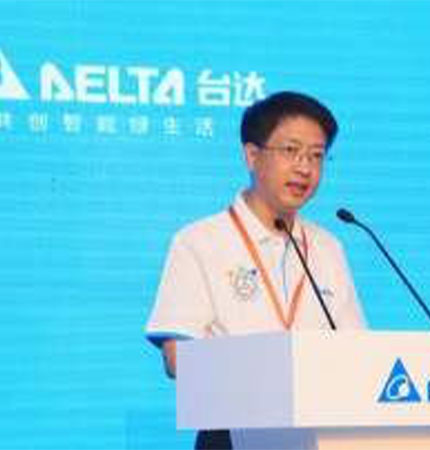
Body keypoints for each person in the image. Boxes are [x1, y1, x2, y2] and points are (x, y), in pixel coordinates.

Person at [145, 91, 366, 450]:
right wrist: (267, 375)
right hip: (232, 434)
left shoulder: (327, 248)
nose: (305, 168)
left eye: (316, 155)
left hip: (319, 434)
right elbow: (176, 358)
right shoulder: (200, 241)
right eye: (291, 150)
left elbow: (356, 353)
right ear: (252, 155)